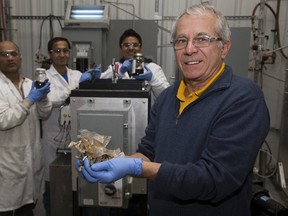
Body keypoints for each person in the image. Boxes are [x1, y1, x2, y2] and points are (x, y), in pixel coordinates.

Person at [77, 4, 271, 216]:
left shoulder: (243, 99)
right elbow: (148, 151)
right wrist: (114, 161)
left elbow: (215, 179)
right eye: (181, 41)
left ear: (224, 48)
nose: (189, 49)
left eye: (202, 39)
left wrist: (137, 168)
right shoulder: (169, 97)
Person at [0, 40, 52, 215]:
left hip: (31, 159)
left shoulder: (30, 83)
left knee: (27, 208)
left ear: (20, 58)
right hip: (7, 161)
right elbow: (4, 120)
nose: (9, 58)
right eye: (4, 54)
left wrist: (43, 98)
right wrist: (30, 100)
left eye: (13, 54)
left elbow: (43, 114)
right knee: (6, 209)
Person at [40, 37, 83, 216]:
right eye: (57, 51)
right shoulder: (44, 77)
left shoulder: (77, 75)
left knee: (77, 185)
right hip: (53, 138)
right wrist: (74, 88)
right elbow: (51, 99)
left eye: (65, 50)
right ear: (50, 54)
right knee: (55, 185)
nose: (62, 54)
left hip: (77, 138)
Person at [98, 28, 169, 100]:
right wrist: (119, 72)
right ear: (120, 48)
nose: (131, 48)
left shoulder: (154, 68)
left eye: (135, 45)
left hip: (145, 110)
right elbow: (100, 86)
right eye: (126, 45)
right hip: (121, 110)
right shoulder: (115, 68)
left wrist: (152, 79)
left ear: (140, 48)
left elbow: (166, 96)